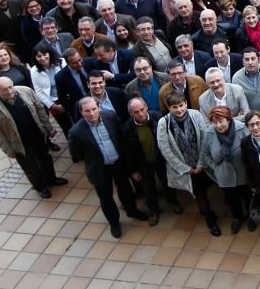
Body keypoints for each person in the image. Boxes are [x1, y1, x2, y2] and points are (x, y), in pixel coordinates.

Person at [68, 96, 149, 238]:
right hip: (99, 169)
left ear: (98, 107)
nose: (92, 113)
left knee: (126, 188)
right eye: (87, 111)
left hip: (118, 163)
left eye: (94, 109)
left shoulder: (110, 116)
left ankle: (132, 210)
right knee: (105, 197)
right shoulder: (76, 132)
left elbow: (120, 136)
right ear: (81, 112)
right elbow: (76, 153)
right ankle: (114, 222)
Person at [0, 77, 67, 199]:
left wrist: (48, 127)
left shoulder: (26, 91)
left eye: (10, 87)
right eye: (4, 90)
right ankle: (40, 187)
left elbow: (40, 109)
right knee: (30, 166)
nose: (9, 91)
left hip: (37, 135)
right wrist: (8, 150)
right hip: (19, 143)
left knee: (45, 158)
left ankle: (51, 179)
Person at [156, 91, 223, 236]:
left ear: (185, 103)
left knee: (213, 184)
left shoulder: (196, 115)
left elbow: (206, 138)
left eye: (181, 105)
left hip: (202, 162)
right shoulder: (164, 123)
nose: (179, 109)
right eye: (175, 107)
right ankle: (209, 218)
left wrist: (200, 164)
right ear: (169, 107)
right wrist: (185, 168)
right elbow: (165, 149)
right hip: (186, 167)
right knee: (199, 193)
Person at [123, 97, 181, 225]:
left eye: (142, 109)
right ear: (131, 113)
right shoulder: (128, 128)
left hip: (161, 159)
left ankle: (173, 201)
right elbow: (127, 152)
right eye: (136, 112)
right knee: (148, 188)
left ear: (147, 107)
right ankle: (154, 210)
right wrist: (132, 170)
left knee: (167, 182)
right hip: (143, 163)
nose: (140, 113)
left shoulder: (159, 118)